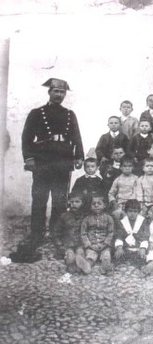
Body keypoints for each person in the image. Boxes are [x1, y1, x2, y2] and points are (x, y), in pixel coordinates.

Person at [22, 78, 84, 245]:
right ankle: (37, 234)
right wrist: (29, 158)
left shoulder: (70, 115)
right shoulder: (37, 113)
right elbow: (26, 137)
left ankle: (57, 233)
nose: (59, 95)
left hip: (63, 162)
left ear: (65, 95)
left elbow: (77, 137)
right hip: (43, 161)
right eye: (55, 91)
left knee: (60, 200)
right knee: (39, 198)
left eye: (62, 92)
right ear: (49, 92)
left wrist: (79, 156)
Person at [79, 195, 115, 275]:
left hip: (104, 245)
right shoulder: (87, 219)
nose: (96, 205)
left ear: (104, 205)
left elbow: (111, 232)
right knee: (90, 256)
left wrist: (105, 244)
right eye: (93, 204)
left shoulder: (109, 218)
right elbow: (83, 233)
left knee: (106, 256)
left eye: (99, 203)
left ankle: (106, 267)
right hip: (92, 245)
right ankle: (86, 266)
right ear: (90, 206)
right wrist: (89, 244)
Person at [53, 192, 85, 270]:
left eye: (77, 202)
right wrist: (60, 245)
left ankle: (81, 266)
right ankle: (71, 265)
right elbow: (56, 232)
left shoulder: (85, 216)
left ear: (82, 203)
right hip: (67, 244)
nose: (74, 204)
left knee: (80, 253)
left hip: (80, 244)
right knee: (70, 255)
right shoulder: (64, 216)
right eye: (71, 202)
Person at [114, 199, 150, 265]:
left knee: (142, 259)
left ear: (138, 212)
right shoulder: (122, 222)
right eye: (130, 211)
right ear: (126, 211)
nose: (132, 214)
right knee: (117, 256)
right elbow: (119, 236)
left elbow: (145, 237)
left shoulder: (143, 221)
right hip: (126, 248)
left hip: (138, 248)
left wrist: (143, 248)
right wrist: (119, 247)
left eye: (135, 211)